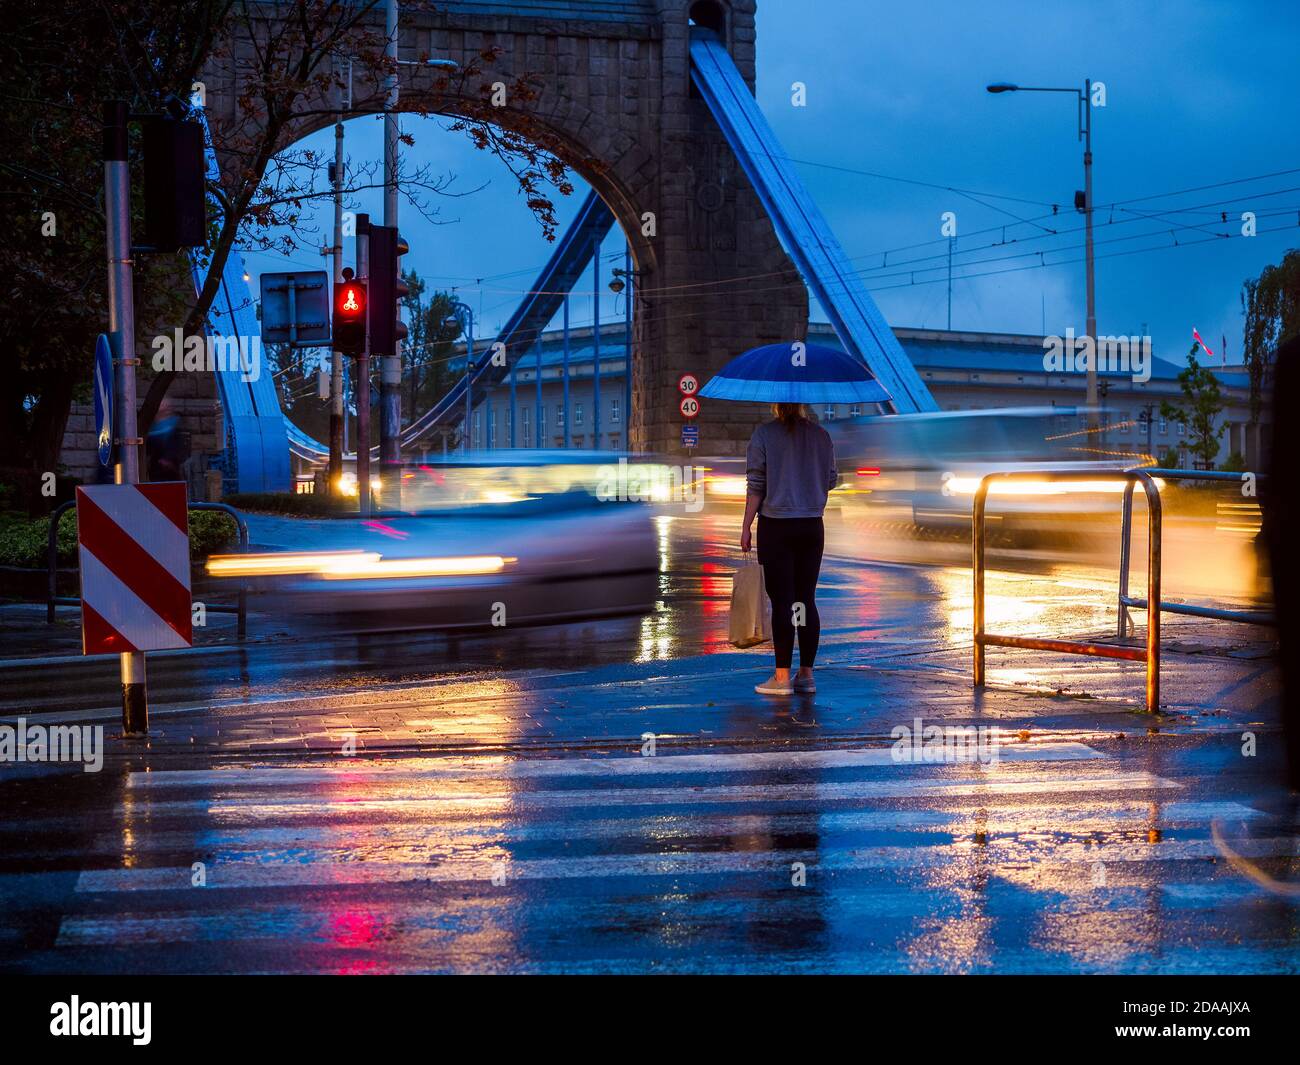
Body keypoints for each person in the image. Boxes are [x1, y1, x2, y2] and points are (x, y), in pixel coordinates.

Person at [740, 402, 838, 695]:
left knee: (783, 601)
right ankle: (806, 675)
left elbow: (756, 484)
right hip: (811, 527)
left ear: (776, 404)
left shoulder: (764, 435)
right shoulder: (822, 436)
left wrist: (746, 526)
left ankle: (781, 678)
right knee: (804, 599)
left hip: (776, 527)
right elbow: (831, 479)